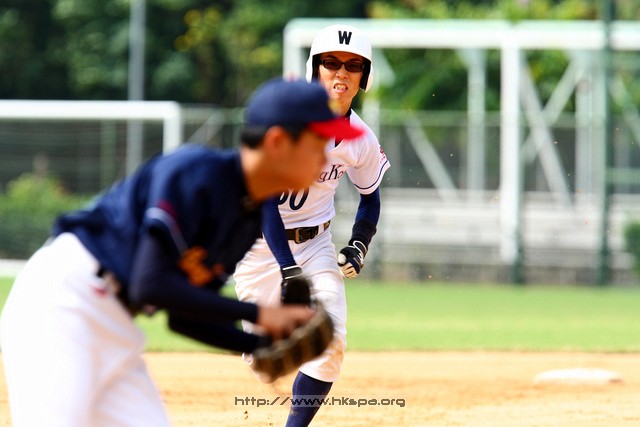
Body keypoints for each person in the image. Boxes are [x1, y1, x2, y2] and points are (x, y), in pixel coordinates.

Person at [0, 78, 364, 427]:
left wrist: (257, 344)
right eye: (317, 143)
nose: (325, 158)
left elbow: (183, 317)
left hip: (116, 324)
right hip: (62, 304)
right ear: (278, 142)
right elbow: (150, 284)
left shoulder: (248, 218)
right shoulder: (195, 173)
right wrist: (261, 314)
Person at [234, 24, 390, 426]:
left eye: (353, 65)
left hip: (316, 246)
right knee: (264, 360)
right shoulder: (287, 125)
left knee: (331, 339)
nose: (342, 72)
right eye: (331, 63)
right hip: (259, 247)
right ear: (314, 69)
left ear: (365, 76)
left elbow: (370, 198)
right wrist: (287, 268)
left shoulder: (361, 139)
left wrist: (359, 242)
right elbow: (265, 201)